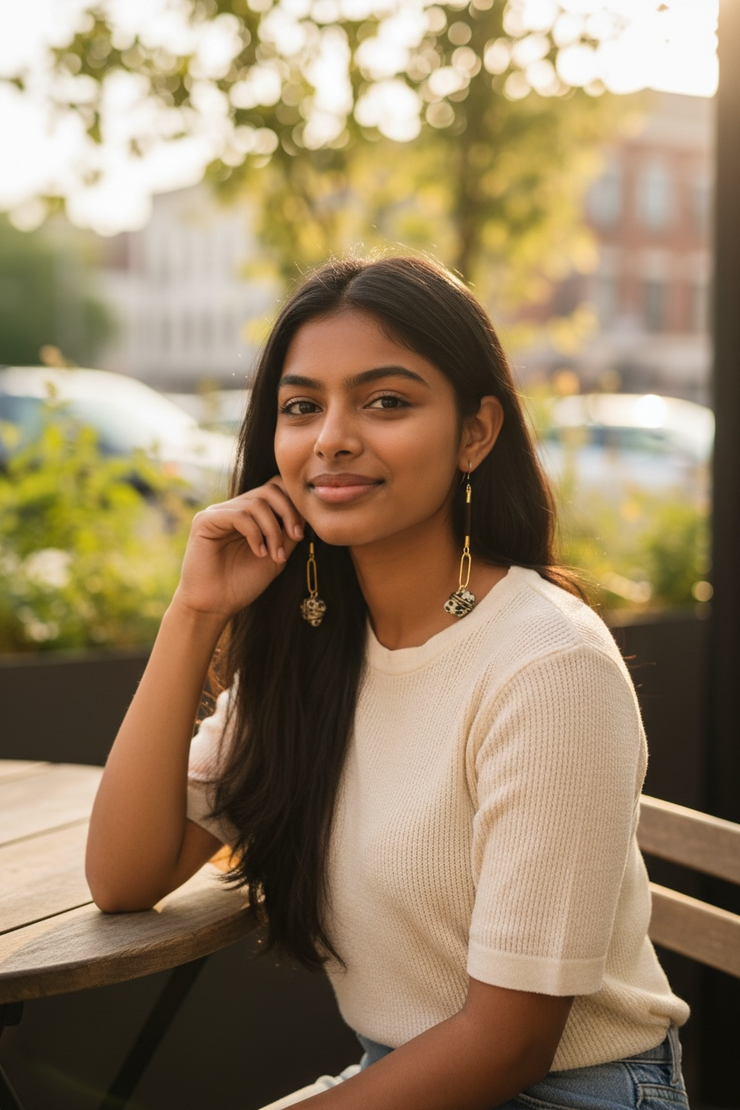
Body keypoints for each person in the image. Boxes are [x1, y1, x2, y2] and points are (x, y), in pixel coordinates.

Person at [86, 255, 690, 1110]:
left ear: (475, 433)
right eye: (302, 407)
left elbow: (508, 1042)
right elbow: (122, 876)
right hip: (402, 1075)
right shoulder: (313, 644)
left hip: (565, 1090)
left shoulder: (549, 668)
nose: (331, 436)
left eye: (386, 402)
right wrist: (194, 611)